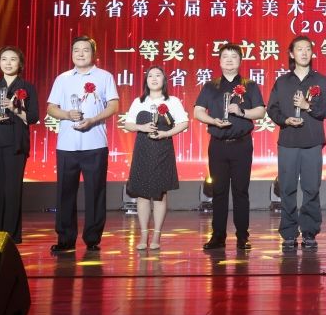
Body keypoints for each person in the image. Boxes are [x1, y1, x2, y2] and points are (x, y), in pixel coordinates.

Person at [46, 36, 119, 254]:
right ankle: (65, 239)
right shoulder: (62, 78)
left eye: (85, 50)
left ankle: (92, 238)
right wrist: (67, 114)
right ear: (71, 54)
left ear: (93, 53)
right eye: (76, 50)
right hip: (67, 145)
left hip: (95, 143)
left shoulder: (104, 77)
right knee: (65, 192)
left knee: (95, 192)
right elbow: (51, 108)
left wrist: (93, 119)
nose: (80, 53)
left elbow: (113, 105)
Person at [194, 43, 266, 251]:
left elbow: (260, 111)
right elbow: (198, 111)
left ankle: (243, 236)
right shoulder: (210, 86)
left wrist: (241, 112)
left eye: (233, 56)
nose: (229, 60)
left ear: (240, 61)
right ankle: (218, 236)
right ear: (219, 61)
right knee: (218, 191)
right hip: (218, 145)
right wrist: (213, 121)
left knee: (241, 191)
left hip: (241, 144)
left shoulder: (249, 85)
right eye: (225, 56)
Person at [267, 36, 326, 250]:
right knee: (287, 188)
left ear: (312, 53)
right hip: (288, 141)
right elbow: (272, 109)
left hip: (312, 141)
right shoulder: (282, 82)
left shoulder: (321, 80)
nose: (304, 53)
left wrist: (308, 107)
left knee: (311, 189)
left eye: (308, 49)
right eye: (299, 49)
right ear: (291, 54)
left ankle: (309, 232)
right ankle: (288, 233)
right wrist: (285, 120)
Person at [0, 46, 39, 243]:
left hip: (15, 143)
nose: (8, 63)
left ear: (20, 64)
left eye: (13, 59)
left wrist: (15, 109)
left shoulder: (27, 87)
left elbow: (33, 117)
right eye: (4, 59)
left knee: (12, 190)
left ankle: (11, 235)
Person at [123, 66, 189, 251]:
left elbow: (184, 123)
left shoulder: (172, 101)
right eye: (150, 76)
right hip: (143, 149)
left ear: (164, 80)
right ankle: (144, 234)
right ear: (146, 81)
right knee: (142, 193)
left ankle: (157, 235)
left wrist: (165, 133)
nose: (154, 78)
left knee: (160, 194)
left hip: (162, 148)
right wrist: (142, 127)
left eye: (158, 75)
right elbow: (128, 124)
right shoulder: (139, 101)